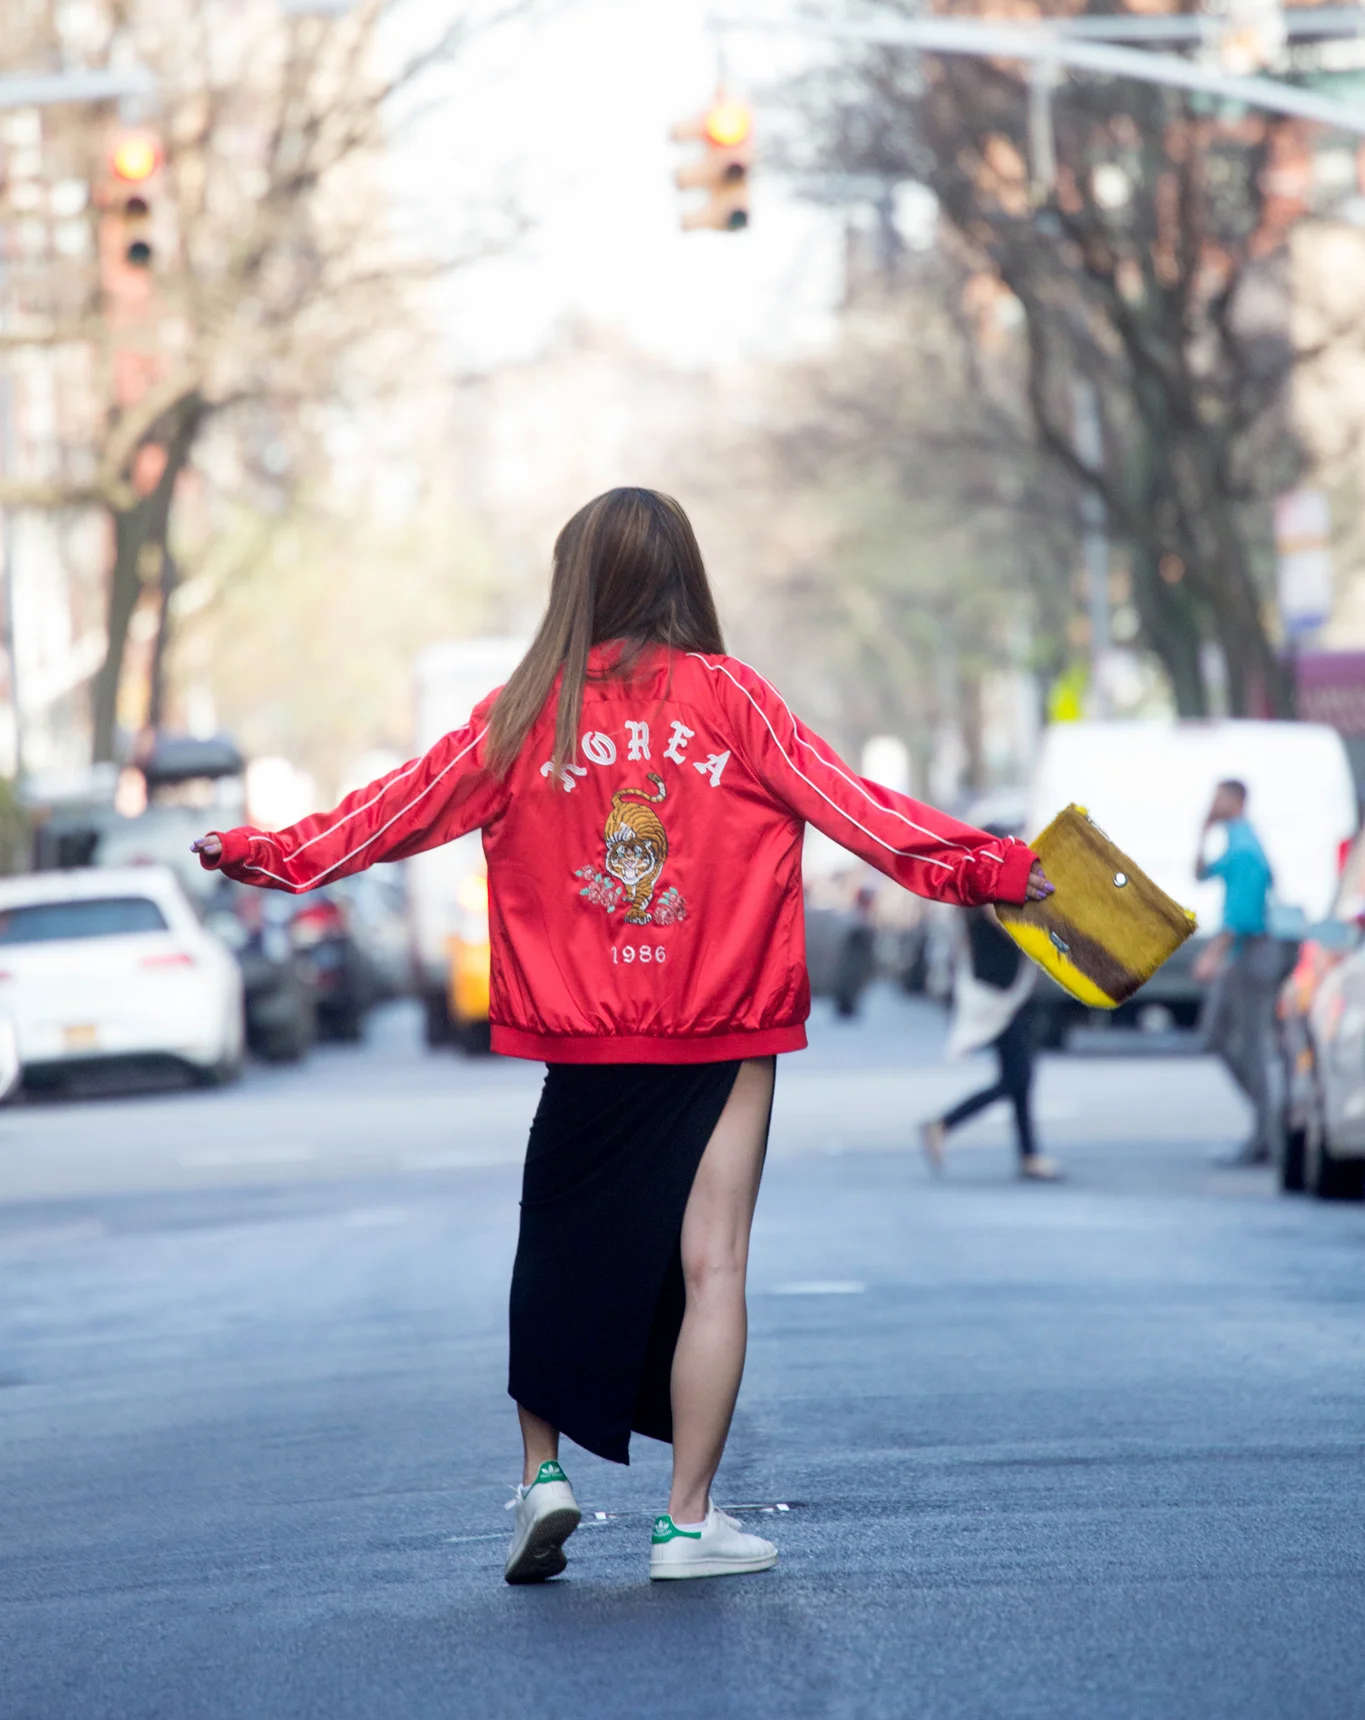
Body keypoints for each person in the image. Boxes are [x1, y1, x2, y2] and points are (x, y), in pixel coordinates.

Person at [192, 488, 1051, 1587]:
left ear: (577, 582)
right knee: (715, 1265)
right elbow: (862, 813)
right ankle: (686, 1526)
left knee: (555, 1248)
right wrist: (993, 868)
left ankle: (543, 1478)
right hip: (725, 1025)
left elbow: (395, 810)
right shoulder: (734, 699)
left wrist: (267, 852)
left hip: (586, 1039)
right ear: (685, 574)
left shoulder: (526, 712)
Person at [920, 878, 1061, 1183]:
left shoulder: (986, 892)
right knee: (1018, 1076)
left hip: (1007, 991)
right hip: (995, 996)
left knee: (1020, 1076)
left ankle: (1029, 1155)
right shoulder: (985, 895)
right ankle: (943, 1123)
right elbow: (1010, 928)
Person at [1194, 778, 1278, 1166]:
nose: (1214, 802)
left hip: (1249, 954)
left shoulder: (1244, 844)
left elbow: (1241, 913)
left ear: (1238, 800)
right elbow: (1201, 873)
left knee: (1249, 1044)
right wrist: (1202, 830)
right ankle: (1268, 1123)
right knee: (1219, 1036)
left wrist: (1213, 954)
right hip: (1241, 954)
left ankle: (1268, 1129)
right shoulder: (1235, 839)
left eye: (1220, 798)